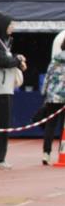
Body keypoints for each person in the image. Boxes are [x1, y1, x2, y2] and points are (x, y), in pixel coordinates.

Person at [0, 13, 27, 169]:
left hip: (5, 88)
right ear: (2, 25)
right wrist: (17, 60)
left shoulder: (4, 42)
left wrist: (17, 58)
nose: (13, 27)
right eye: (10, 24)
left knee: (3, 123)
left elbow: (8, 58)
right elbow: (3, 61)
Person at [41, 30, 65, 165]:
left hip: (52, 96)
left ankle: (46, 153)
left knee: (50, 125)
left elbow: (48, 76)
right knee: (64, 127)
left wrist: (44, 92)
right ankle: (62, 152)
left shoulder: (55, 59)